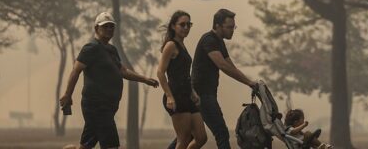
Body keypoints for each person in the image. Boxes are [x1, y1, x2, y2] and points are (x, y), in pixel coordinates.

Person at [59, 12, 159, 149]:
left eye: (111, 27)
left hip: (109, 105)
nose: (109, 29)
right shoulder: (90, 48)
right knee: (111, 146)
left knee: (86, 146)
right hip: (97, 105)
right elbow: (75, 71)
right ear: (96, 28)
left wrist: (145, 79)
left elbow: (123, 71)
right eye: (105, 26)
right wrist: (67, 94)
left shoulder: (111, 50)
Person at [167, 9, 257, 149]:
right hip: (201, 94)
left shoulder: (219, 42)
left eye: (234, 27)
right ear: (217, 26)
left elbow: (230, 65)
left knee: (187, 136)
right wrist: (250, 83)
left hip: (205, 94)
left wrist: (250, 82)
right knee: (221, 132)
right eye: (229, 27)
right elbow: (222, 65)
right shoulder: (209, 40)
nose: (232, 30)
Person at [158, 10, 207, 149]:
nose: (186, 28)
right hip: (176, 95)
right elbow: (160, 72)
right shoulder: (171, 45)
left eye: (188, 25)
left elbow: (185, 74)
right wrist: (169, 96)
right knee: (183, 139)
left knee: (201, 138)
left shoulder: (182, 46)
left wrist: (192, 92)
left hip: (187, 95)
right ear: (173, 26)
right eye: (182, 24)